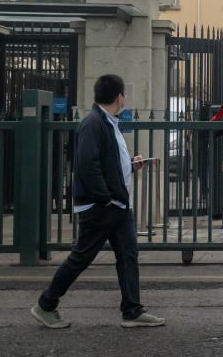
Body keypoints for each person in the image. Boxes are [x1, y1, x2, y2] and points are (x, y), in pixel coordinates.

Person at [31, 74, 165, 329]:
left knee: (128, 256)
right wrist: (104, 198)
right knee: (81, 257)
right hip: (102, 206)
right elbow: (87, 165)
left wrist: (132, 165)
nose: (125, 98)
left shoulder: (107, 122)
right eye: (124, 94)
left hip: (117, 205)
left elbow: (106, 162)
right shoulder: (93, 123)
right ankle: (46, 305)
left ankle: (132, 311)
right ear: (120, 97)